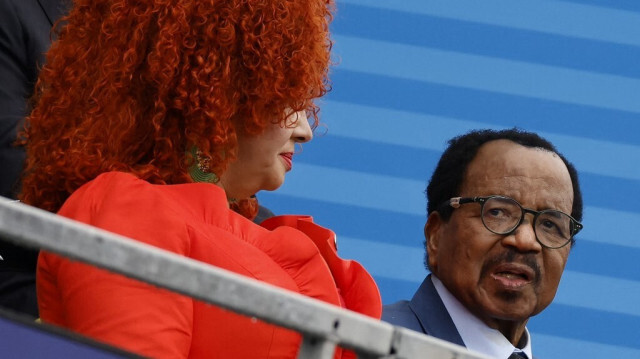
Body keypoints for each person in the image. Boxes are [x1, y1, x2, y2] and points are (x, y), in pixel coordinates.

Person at [20, 0, 381, 358]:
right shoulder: (126, 210)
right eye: (288, 98)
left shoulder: (237, 226)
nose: (305, 131)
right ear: (221, 93)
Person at [382, 129, 583, 359]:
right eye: (497, 212)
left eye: (549, 225)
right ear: (435, 234)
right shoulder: (358, 344)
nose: (526, 241)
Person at [0, 0, 69, 318]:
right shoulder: (11, 12)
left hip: (181, 251)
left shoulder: (163, 18)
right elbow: (13, 157)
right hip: (41, 270)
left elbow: (205, 152)